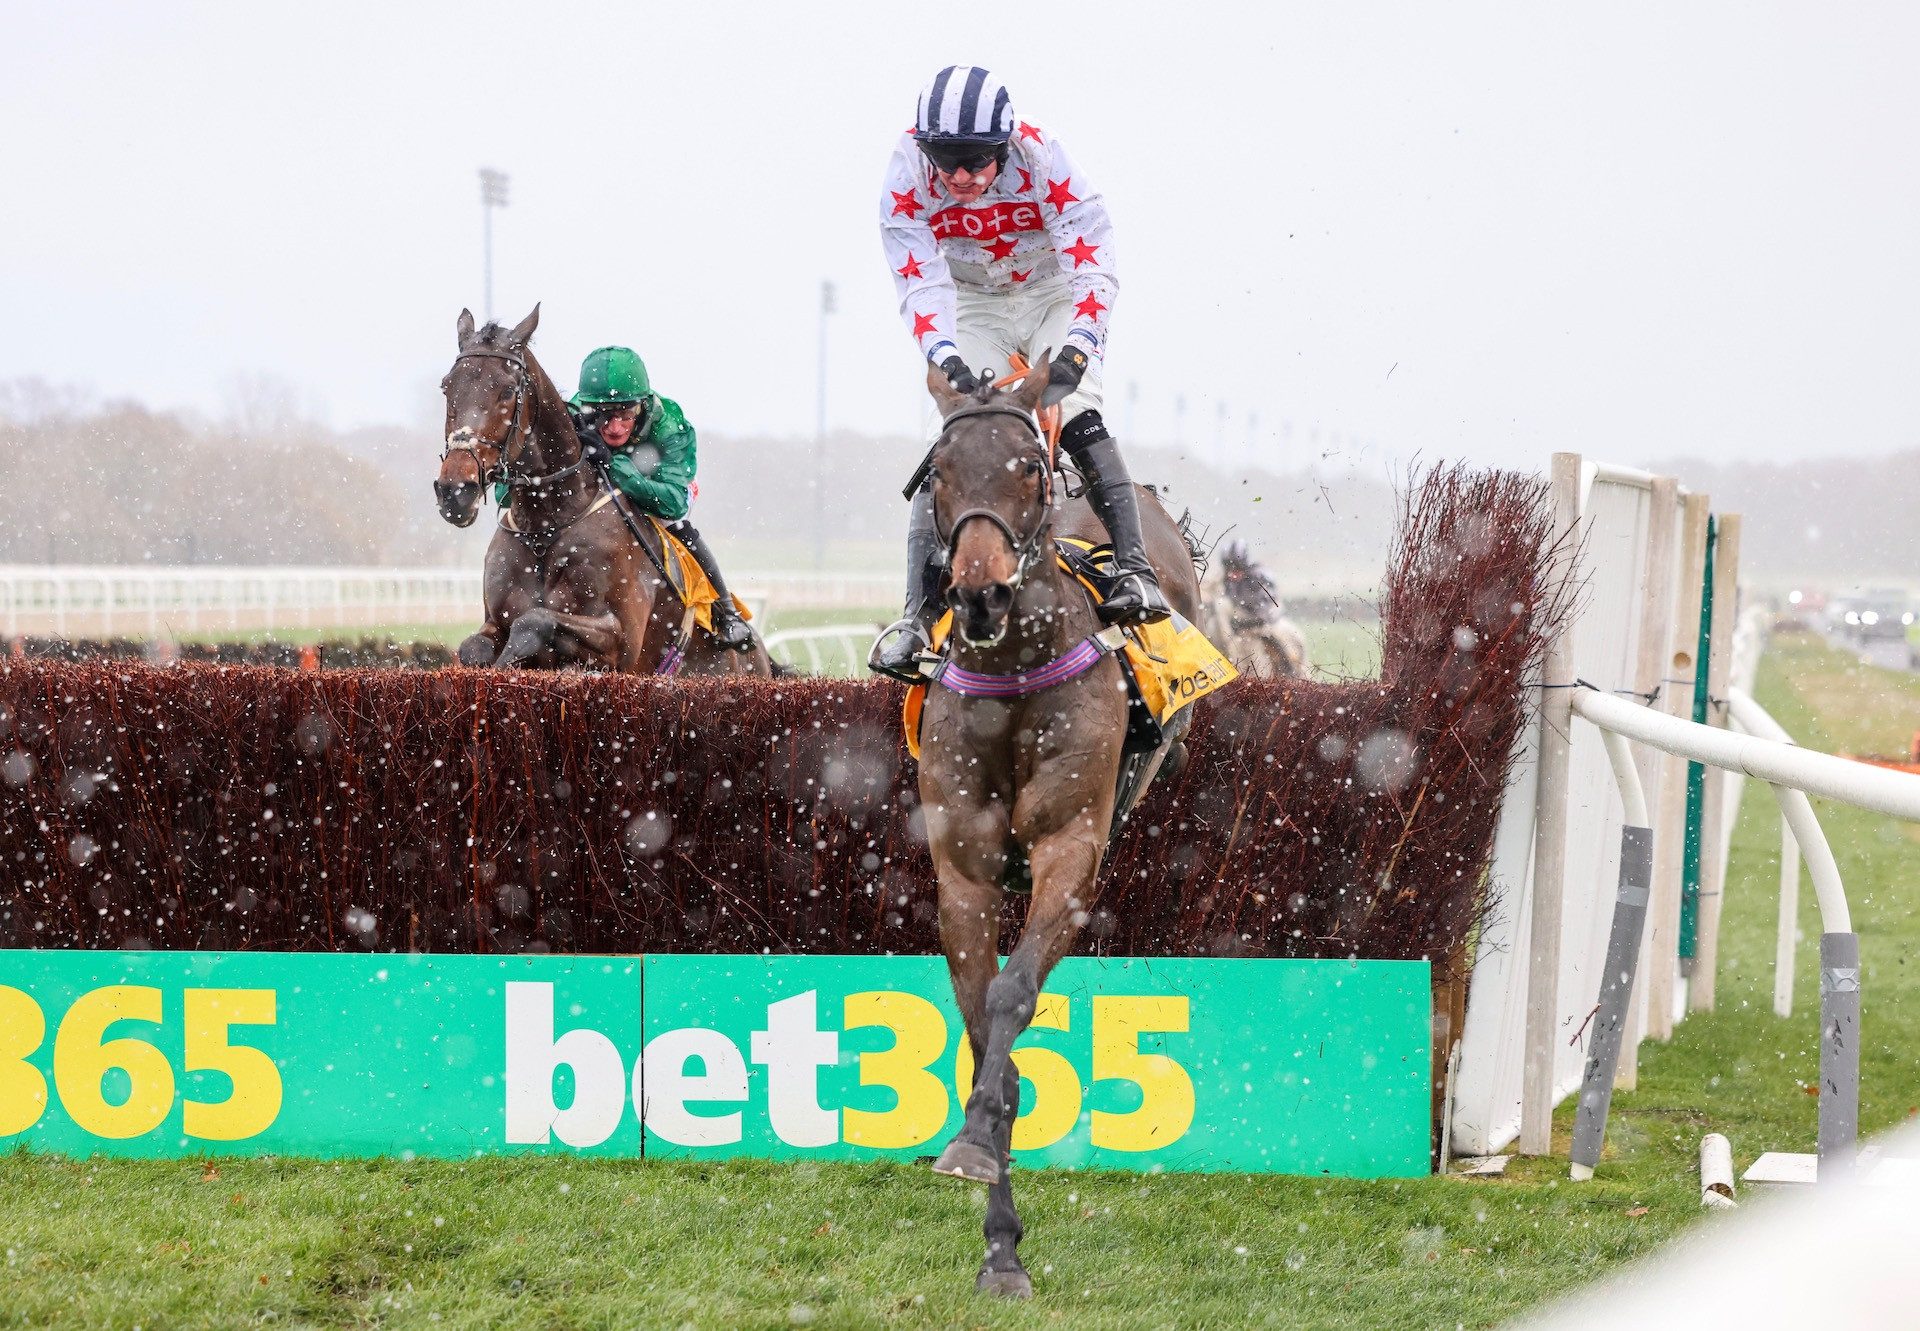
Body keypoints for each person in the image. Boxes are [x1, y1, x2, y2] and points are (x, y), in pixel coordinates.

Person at [868, 64, 1171, 682]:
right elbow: (919, 278)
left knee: (1077, 411)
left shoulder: (1045, 158)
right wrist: (945, 352)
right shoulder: (904, 174)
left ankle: (1136, 570)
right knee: (957, 435)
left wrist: (1080, 345)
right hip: (972, 299)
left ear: (1004, 146)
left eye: (975, 161)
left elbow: (1093, 263)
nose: (957, 178)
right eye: (943, 161)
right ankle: (916, 617)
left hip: (1053, 289)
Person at [499, 345, 754, 651]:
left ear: (641, 405)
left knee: (675, 523)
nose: (615, 427)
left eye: (625, 414)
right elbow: (517, 483)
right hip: (593, 489)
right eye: (603, 416)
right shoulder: (573, 412)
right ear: (589, 407)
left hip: (657, 486)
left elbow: (674, 501)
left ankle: (727, 611)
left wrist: (614, 465)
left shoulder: (670, 425)